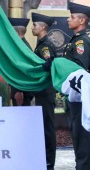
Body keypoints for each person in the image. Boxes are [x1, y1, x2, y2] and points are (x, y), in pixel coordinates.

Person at [64, 2, 90, 170]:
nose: (69, 20)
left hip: (81, 97)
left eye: (72, 17)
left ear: (82, 20)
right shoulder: (76, 40)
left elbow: (79, 70)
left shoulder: (81, 42)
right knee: (77, 137)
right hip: (75, 96)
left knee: (82, 138)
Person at [31, 12, 57, 170]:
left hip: (46, 92)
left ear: (42, 27)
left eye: (34, 25)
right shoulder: (41, 43)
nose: (32, 28)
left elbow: (50, 62)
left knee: (48, 127)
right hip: (42, 92)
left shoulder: (46, 45)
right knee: (44, 126)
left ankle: (49, 162)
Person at [8, 18, 34, 106]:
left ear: (18, 32)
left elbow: (23, 70)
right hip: (21, 89)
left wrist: (19, 91)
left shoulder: (22, 47)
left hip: (22, 91)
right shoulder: (22, 46)